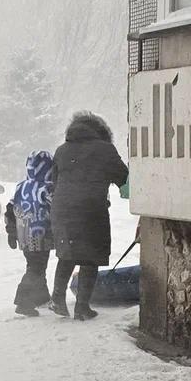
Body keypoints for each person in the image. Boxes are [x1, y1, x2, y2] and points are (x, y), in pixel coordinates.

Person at [49, 112, 129, 320]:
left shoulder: (61, 150)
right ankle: (82, 308)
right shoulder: (105, 150)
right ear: (102, 132)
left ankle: (57, 299)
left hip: (62, 209)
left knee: (67, 252)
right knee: (90, 256)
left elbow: (53, 182)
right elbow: (123, 178)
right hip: (90, 210)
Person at [5, 150, 55, 317]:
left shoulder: (21, 186)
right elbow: (55, 210)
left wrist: (11, 233)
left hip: (24, 236)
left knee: (35, 266)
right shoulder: (47, 188)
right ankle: (23, 302)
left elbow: (9, 211)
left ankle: (41, 298)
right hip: (41, 236)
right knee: (36, 268)